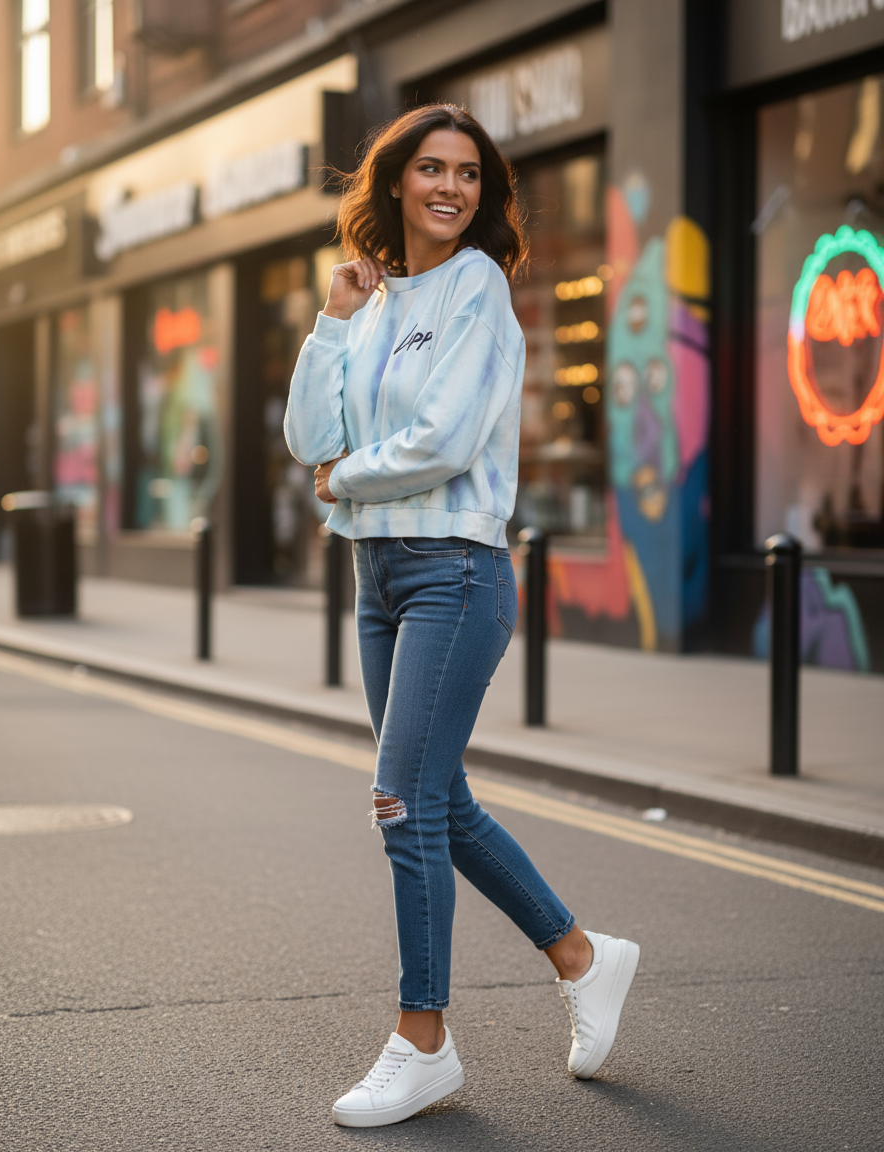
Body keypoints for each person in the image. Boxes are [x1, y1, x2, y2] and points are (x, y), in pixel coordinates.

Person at [285, 103, 640, 1129]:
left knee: (399, 803)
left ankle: (422, 1039)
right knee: (439, 800)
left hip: (455, 571)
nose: (449, 188)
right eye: (431, 169)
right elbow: (306, 433)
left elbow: (440, 439)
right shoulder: (375, 298)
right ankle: (580, 955)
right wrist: (332, 322)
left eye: (469, 175)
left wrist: (343, 478)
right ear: (393, 180)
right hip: (378, 579)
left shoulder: (478, 287)